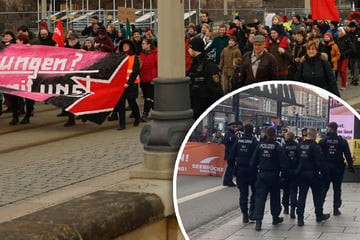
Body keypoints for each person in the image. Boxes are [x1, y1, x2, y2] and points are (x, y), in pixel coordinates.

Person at [250, 127, 289, 231]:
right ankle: (275, 218)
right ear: (275, 134)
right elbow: (284, 164)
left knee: (260, 198)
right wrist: (283, 176)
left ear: (266, 134)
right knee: (275, 197)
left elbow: (253, 161)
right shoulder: (277, 147)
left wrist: (255, 173)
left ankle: (258, 222)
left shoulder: (260, 146)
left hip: (262, 174)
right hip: (274, 175)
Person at [318, 122, 355, 216]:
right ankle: (336, 208)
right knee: (337, 188)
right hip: (338, 167)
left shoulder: (323, 141)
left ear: (329, 129)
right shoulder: (342, 141)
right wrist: (351, 166)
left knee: (323, 188)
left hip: (326, 168)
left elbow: (317, 154)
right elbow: (347, 155)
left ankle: (320, 208)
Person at [295, 128, 330, 226]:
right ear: (314, 135)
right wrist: (324, 174)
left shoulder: (300, 145)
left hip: (302, 174)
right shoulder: (315, 146)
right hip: (313, 174)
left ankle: (300, 218)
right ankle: (319, 215)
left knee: (302, 196)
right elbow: (320, 162)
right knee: (317, 196)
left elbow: (296, 160)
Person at [108, 39, 141, 130]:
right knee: (120, 104)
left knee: (132, 102)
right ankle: (122, 124)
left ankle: (137, 118)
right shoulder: (120, 57)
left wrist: (128, 83)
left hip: (131, 84)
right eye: (123, 46)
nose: (124, 47)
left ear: (130, 47)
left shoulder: (134, 57)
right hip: (121, 85)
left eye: (126, 46)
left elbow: (135, 71)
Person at [187, 37, 223, 119]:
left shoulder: (209, 65)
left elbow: (216, 89)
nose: (188, 50)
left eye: (190, 47)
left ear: (194, 49)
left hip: (205, 106)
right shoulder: (194, 64)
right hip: (195, 106)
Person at [230, 123, 259, 222]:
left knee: (243, 193)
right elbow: (258, 156)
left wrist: (233, 169)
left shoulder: (239, 141)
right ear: (252, 131)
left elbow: (231, 156)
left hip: (240, 169)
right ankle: (252, 211)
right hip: (252, 170)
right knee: (255, 191)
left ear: (244, 130)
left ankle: (245, 214)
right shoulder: (254, 141)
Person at [9, 34, 35, 125]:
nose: (16, 41)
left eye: (18, 40)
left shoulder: (30, 50)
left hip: (27, 77)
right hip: (16, 77)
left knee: (28, 97)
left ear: (22, 41)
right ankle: (15, 116)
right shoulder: (13, 49)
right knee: (14, 97)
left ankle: (27, 116)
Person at [139, 38, 158, 121]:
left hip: (151, 78)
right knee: (149, 97)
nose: (142, 45)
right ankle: (155, 112)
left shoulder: (155, 54)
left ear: (149, 45)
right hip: (143, 78)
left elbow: (157, 65)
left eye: (144, 43)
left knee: (148, 97)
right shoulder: (142, 54)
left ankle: (145, 113)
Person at [282, 131, 299, 219]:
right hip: (295, 172)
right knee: (294, 191)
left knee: (286, 191)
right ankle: (293, 208)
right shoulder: (297, 146)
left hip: (286, 172)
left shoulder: (284, 147)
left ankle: (285, 208)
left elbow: (281, 159)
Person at [222, 122, 238, 187]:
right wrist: (234, 137)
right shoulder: (228, 133)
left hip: (232, 153)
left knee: (230, 167)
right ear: (229, 127)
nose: (234, 128)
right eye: (233, 127)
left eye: (234, 127)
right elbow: (226, 141)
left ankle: (226, 181)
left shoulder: (232, 133)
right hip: (229, 153)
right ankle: (229, 181)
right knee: (230, 167)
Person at [347, 21, 360, 85]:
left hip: (357, 52)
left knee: (356, 66)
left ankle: (355, 79)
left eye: (353, 27)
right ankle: (353, 77)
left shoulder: (359, 32)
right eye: (351, 27)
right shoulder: (348, 34)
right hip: (351, 53)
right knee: (351, 67)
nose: (352, 28)